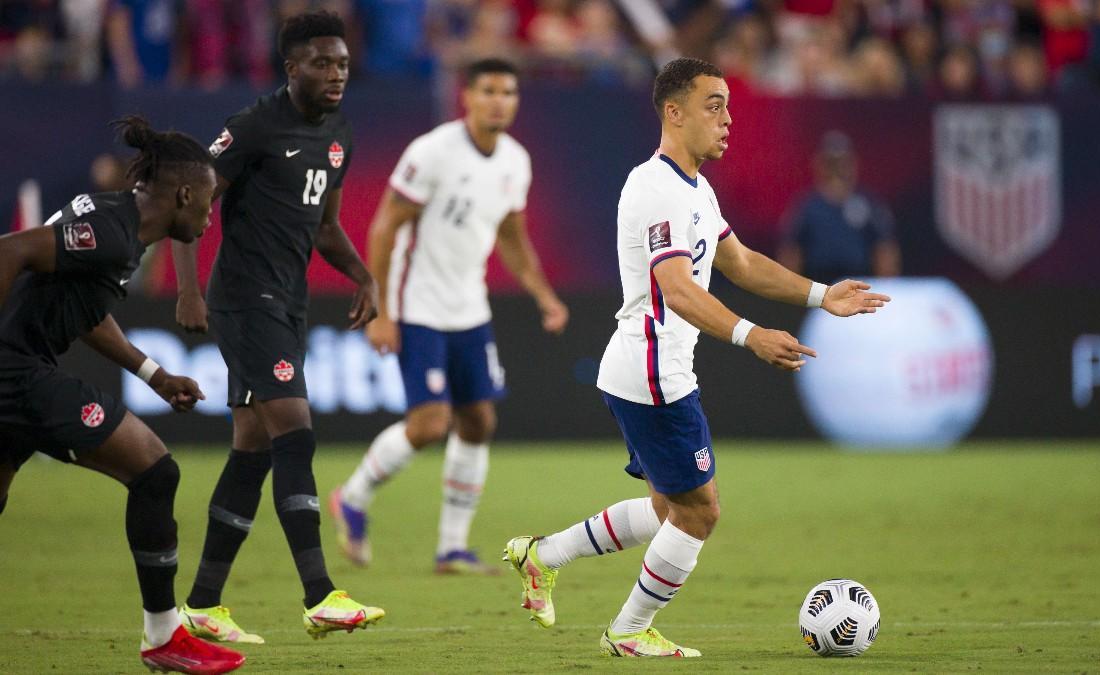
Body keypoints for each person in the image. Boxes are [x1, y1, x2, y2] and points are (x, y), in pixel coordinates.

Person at [501, 57, 890, 658]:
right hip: (654, 374)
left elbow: (741, 262)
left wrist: (821, 294)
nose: (729, 119)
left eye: (729, 105)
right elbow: (678, 288)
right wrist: (750, 334)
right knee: (699, 513)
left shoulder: (695, 188)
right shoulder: (656, 188)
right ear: (673, 112)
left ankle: (542, 555)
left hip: (649, 368)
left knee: (669, 506)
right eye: (715, 106)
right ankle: (628, 631)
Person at [0, 117, 244, 674]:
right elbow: (9, 250)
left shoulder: (116, 223)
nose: (209, 219)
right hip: (16, 371)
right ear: (183, 194)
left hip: (19, 370)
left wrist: (154, 374)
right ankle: (164, 636)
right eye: (207, 204)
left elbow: (83, 310)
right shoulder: (113, 230)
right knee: (155, 471)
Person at [171, 10, 384, 643]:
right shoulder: (254, 127)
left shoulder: (339, 133)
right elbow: (190, 196)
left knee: (253, 444)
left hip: (287, 301)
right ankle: (320, 593)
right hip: (243, 299)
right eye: (322, 62)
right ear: (291, 68)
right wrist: (186, 288)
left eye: (342, 63)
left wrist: (364, 276)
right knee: (295, 428)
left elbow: (324, 226)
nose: (336, 73)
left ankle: (203, 603)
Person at [329, 57, 569, 574]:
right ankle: (352, 497)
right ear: (467, 96)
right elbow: (385, 227)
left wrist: (543, 295)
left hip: (470, 310)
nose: (499, 100)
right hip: (418, 308)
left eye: (508, 91)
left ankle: (452, 547)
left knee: (479, 420)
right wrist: (380, 309)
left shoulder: (515, 161)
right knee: (430, 423)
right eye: (488, 90)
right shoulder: (433, 152)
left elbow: (511, 235)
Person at [775, 130, 901, 283]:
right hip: (819, 287)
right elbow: (791, 252)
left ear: (853, 164)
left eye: (842, 163)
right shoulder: (807, 207)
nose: (837, 170)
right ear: (820, 165)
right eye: (831, 164)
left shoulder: (869, 204)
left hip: (859, 287)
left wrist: (884, 287)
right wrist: (794, 291)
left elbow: (884, 250)